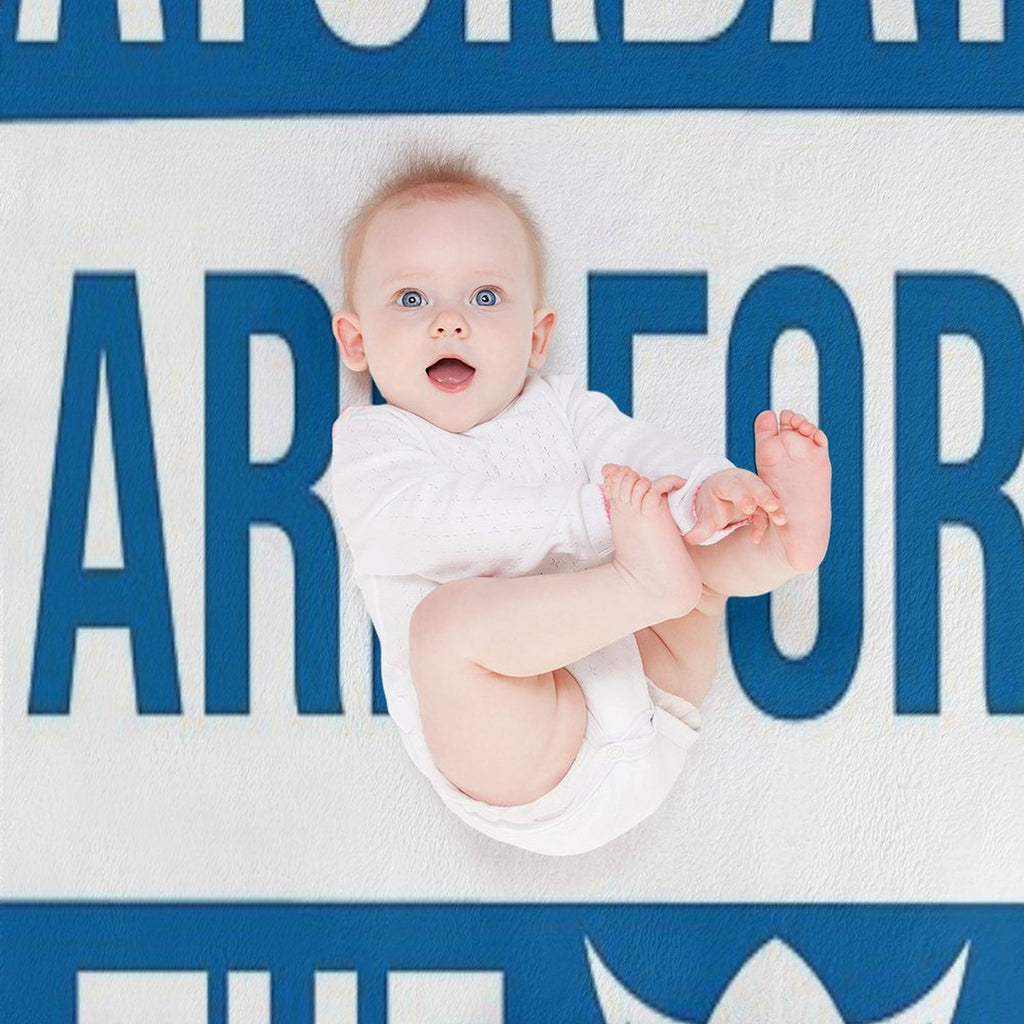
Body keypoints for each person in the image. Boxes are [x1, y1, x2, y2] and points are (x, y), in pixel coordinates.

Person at [330, 150, 831, 856]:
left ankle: (778, 542)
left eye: (484, 298)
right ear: (356, 340)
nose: (449, 323)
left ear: (537, 336)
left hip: (656, 689)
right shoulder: (372, 446)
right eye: (412, 300)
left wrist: (705, 489)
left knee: (696, 550)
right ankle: (646, 581)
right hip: (532, 756)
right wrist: (605, 521)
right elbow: (440, 523)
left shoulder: (561, 408)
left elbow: (642, 455)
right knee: (445, 631)